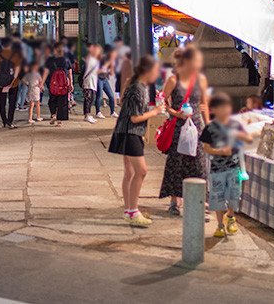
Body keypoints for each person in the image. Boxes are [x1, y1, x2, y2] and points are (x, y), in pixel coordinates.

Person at [108, 55, 164, 227]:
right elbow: (134, 118)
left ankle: (130, 209)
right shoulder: (138, 88)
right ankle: (132, 211)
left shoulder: (138, 87)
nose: (158, 74)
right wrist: (155, 112)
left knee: (130, 173)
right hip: (130, 132)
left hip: (128, 132)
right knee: (141, 171)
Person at [159, 45, 210, 216]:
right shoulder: (173, 80)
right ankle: (174, 201)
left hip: (196, 125)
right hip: (179, 126)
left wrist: (208, 126)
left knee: (198, 164)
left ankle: (200, 202)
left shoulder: (201, 80)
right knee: (177, 163)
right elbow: (161, 101)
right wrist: (175, 113)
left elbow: (204, 105)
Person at [201, 92, 253, 236]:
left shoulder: (235, 125)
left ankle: (230, 216)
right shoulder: (209, 128)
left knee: (234, 195)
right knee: (218, 197)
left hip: (234, 169)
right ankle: (219, 225)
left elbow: (245, 139)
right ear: (213, 110)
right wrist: (221, 152)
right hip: (217, 169)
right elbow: (206, 148)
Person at [0, 37, 22, 129]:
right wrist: (12, 80)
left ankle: (4, 121)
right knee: (12, 103)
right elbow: (17, 70)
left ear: (2, 46)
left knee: (2, 103)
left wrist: (1, 79)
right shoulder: (15, 56)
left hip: (2, 84)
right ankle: (10, 121)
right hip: (13, 84)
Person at [42, 42, 73, 126]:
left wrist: (42, 83)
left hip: (52, 83)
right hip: (63, 84)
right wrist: (71, 84)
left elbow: (45, 72)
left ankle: (53, 114)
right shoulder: (66, 60)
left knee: (52, 100)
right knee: (62, 102)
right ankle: (60, 121)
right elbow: (70, 73)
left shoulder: (50, 59)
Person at [96, 47, 118, 119]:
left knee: (111, 95)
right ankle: (98, 112)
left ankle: (112, 112)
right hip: (99, 78)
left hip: (105, 79)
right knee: (99, 96)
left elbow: (111, 73)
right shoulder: (102, 59)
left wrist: (112, 65)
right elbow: (102, 68)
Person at [82, 44, 100, 124]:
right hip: (88, 82)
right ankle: (86, 115)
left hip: (93, 82)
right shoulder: (90, 58)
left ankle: (88, 114)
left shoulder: (96, 60)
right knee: (88, 99)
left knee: (91, 98)